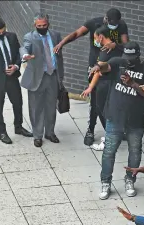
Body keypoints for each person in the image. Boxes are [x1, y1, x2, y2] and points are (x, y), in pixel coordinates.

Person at [89, 42, 144, 199]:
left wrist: (133, 84)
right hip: (115, 117)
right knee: (109, 151)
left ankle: (130, 179)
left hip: (135, 119)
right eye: (126, 57)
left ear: (138, 56)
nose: (128, 61)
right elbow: (106, 66)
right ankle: (105, 182)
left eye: (131, 58)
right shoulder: (118, 63)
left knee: (134, 152)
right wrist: (98, 67)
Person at [53, 8, 129, 147]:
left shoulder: (121, 25)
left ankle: (113, 129)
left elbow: (126, 45)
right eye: (111, 23)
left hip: (113, 69)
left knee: (113, 101)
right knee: (95, 102)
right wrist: (61, 43)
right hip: (95, 66)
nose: (114, 25)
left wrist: (115, 44)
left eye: (116, 24)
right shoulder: (94, 23)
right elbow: (77, 33)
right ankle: (91, 130)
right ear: (106, 19)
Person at [0, 18, 32, 144]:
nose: (1, 34)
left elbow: (17, 54)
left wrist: (16, 66)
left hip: (11, 77)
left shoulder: (12, 37)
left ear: (5, 28)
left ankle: (18, 126)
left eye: (3, 31)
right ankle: (2, 132)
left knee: (18, 102)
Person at [20, 13, 64, 148]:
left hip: (53, 75)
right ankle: (37, 135)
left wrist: (60, 75)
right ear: (35, 25)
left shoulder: (56, 35)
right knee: (36, 108)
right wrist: (25, 55)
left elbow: (59, 55)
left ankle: (50, 132)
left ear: (48, 24)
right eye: (39, 26)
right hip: (37, 77)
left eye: (44, 25)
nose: (42, 27)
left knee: (51, 106)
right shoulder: (29, 37)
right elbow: (24, 48)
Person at [81, 25, 122, 151]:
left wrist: (90, 87)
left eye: (95, 38)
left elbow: (98, 72)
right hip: (116, 84)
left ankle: (109, 138)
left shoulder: (105, 52)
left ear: (101, 36)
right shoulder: (117, 47)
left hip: (105, 85)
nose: (95, 41)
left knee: (102, 111)